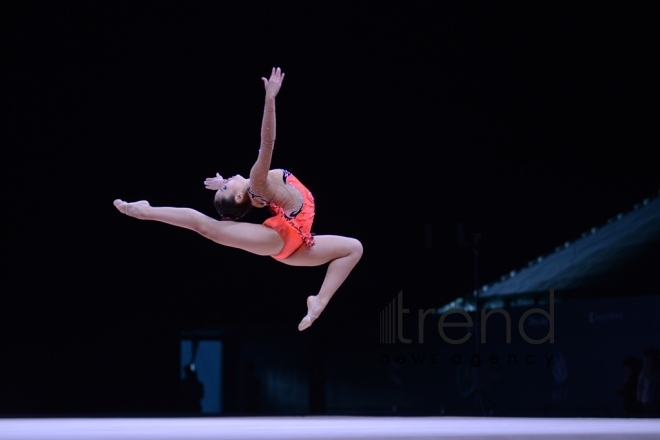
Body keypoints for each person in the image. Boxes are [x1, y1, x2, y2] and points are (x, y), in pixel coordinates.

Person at [113, 67, 363, 331]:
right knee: (208, 228)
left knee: (354, 248)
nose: (228, 180)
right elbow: (267, 142)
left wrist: (225, 185)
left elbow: (245, 196)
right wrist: (270, 99)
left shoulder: (255, 195)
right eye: (227, 189)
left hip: (299, 243)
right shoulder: (257, 181)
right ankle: (145, 211)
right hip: (286, 236)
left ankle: (318, 303)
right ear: (241, 194)